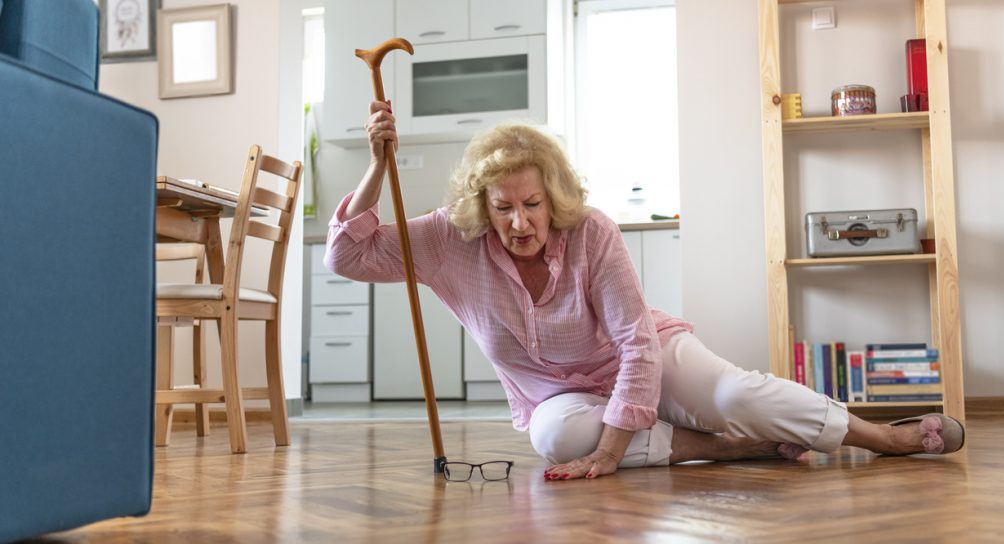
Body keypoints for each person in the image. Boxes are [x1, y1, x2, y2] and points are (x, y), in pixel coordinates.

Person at [324, 100, 965, 481]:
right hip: (561, 395)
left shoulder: (592, 231)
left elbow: (635, 343)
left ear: (553, 198)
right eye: (502, 208)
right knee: (553, 439)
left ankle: (884, 437)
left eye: (531, 204)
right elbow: (348, 253)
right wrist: (378, 165)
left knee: (731, 392)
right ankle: (737, 448)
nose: (518, 222)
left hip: (646, 355)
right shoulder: (449, 239)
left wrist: (611, 452)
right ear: (481, 204)